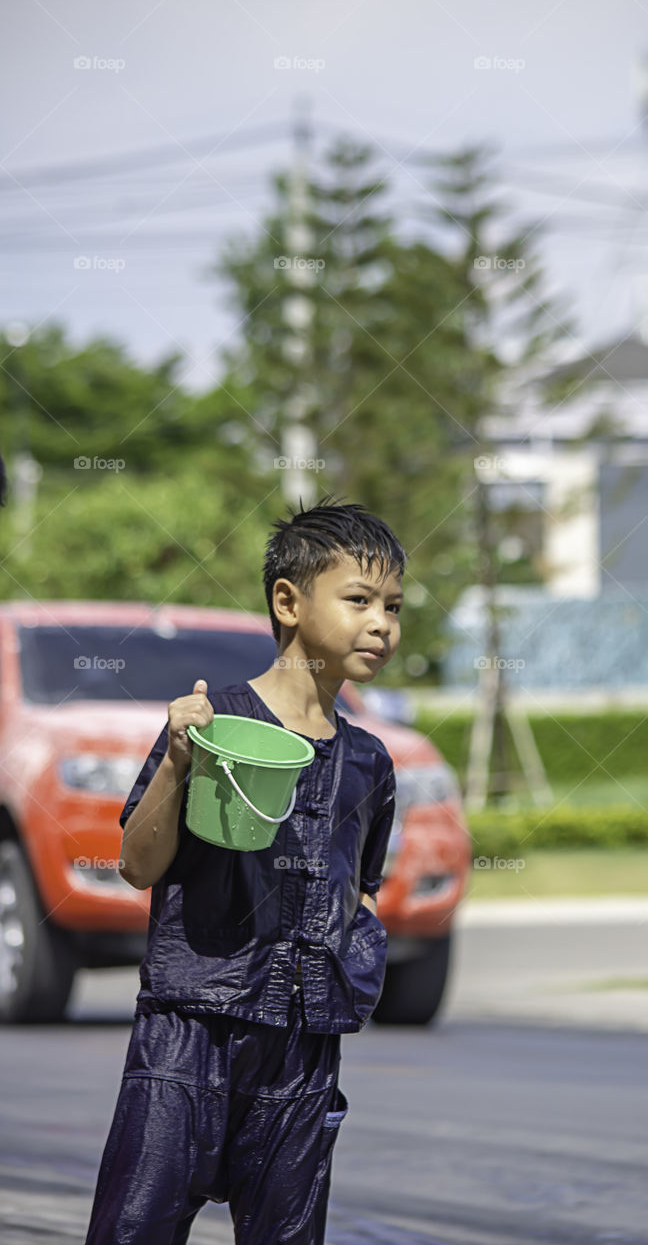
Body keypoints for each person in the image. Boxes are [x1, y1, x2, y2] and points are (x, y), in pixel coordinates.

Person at [85, 497, 406, 1244]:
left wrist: (352, 966)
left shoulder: (369, 762)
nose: (381, 623)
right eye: (358, 600)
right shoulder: (214, 725)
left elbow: (359, 888)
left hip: (300, 1050)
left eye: (393, 605)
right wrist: (176, 760)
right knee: (133, 1230)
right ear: (287, 601)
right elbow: (138, 865)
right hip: (188, 1035)